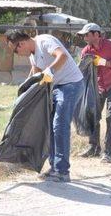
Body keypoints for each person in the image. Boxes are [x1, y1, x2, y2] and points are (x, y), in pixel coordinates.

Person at [6, 30, 85, 182]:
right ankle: (55, 167)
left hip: (71, 84)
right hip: (56, 87)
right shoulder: (33, 55)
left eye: (15, 49)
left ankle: (62, 171)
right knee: (50, 126)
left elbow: (61, 55)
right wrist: (25, 92)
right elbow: (36, 75)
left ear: (21, 43)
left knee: (60, 126)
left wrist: (51, 70)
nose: (16, 53)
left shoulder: (44, 41)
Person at [79, 23, 111, 163]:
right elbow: (82, 71)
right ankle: (94, 148)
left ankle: (108, 152)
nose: (84, 37)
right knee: (93, 116)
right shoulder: (86, 51)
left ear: (96, 34)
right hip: (97, 87)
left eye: (87, 34)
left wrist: (105, 63)